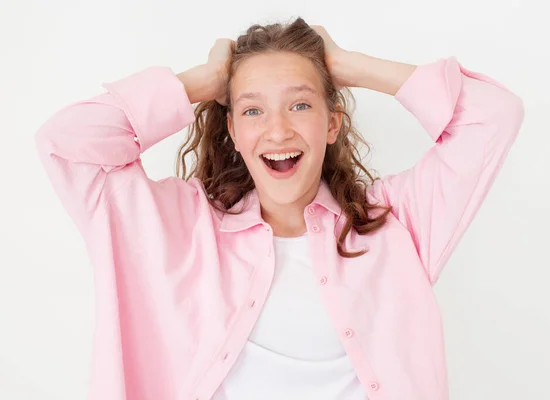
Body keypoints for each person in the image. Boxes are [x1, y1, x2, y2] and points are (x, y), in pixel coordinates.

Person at [35, 17, 524, 400]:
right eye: (252, 110)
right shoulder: (177, 228)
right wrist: (205, 81)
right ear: (232, 132)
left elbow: (494, 116)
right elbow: (65, 143)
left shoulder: (396, 222)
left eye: (300, 105)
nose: (277, 130)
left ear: (332, 124)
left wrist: (351, 65)